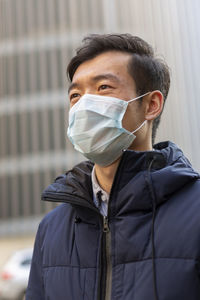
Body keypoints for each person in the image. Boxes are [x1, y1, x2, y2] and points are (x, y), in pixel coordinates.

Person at [26, 34, 200, 300]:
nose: (84, 104)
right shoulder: (52, 228)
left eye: (104, 87)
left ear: (151, 105)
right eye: (75, 94)